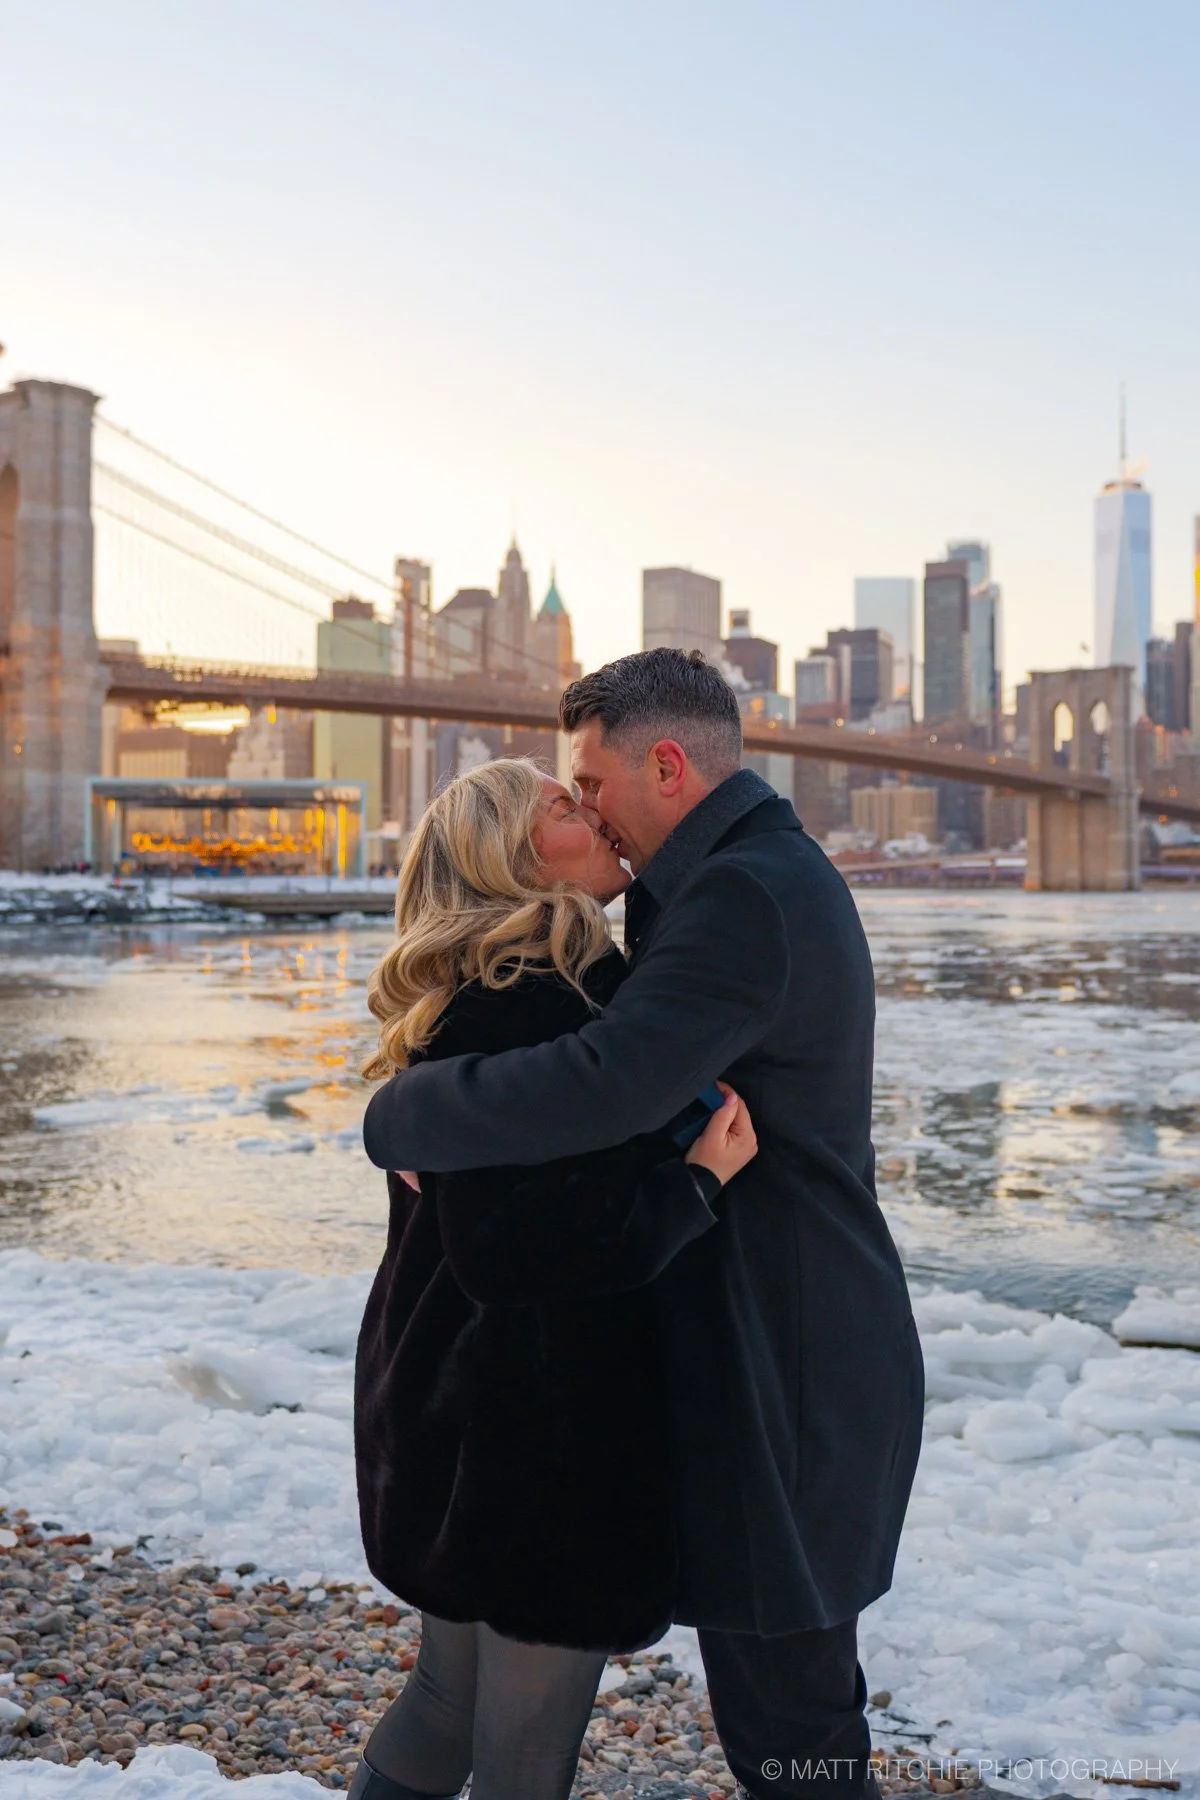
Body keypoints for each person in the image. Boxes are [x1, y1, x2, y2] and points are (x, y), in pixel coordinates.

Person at [364, 648, 926, 1800]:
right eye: (564, 801)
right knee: (776, 1721)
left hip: (790, 1364)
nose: (589, 810)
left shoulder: (743, 892)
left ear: (666, 765)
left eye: (589, 784)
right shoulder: (698, 888)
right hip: (696, 1368)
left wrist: (401, 1111)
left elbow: (611, 1080)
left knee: (795, 1730)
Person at [351, 756, 759, 1800]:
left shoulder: (485, 998)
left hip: (449, 1408)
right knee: (525, 1759)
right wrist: (695, 1184)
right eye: (563, 806)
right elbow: (517, 1252)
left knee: (446, 1711)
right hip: (535, 1441)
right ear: (519, 857)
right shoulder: (531, 1005)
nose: (594, 812)